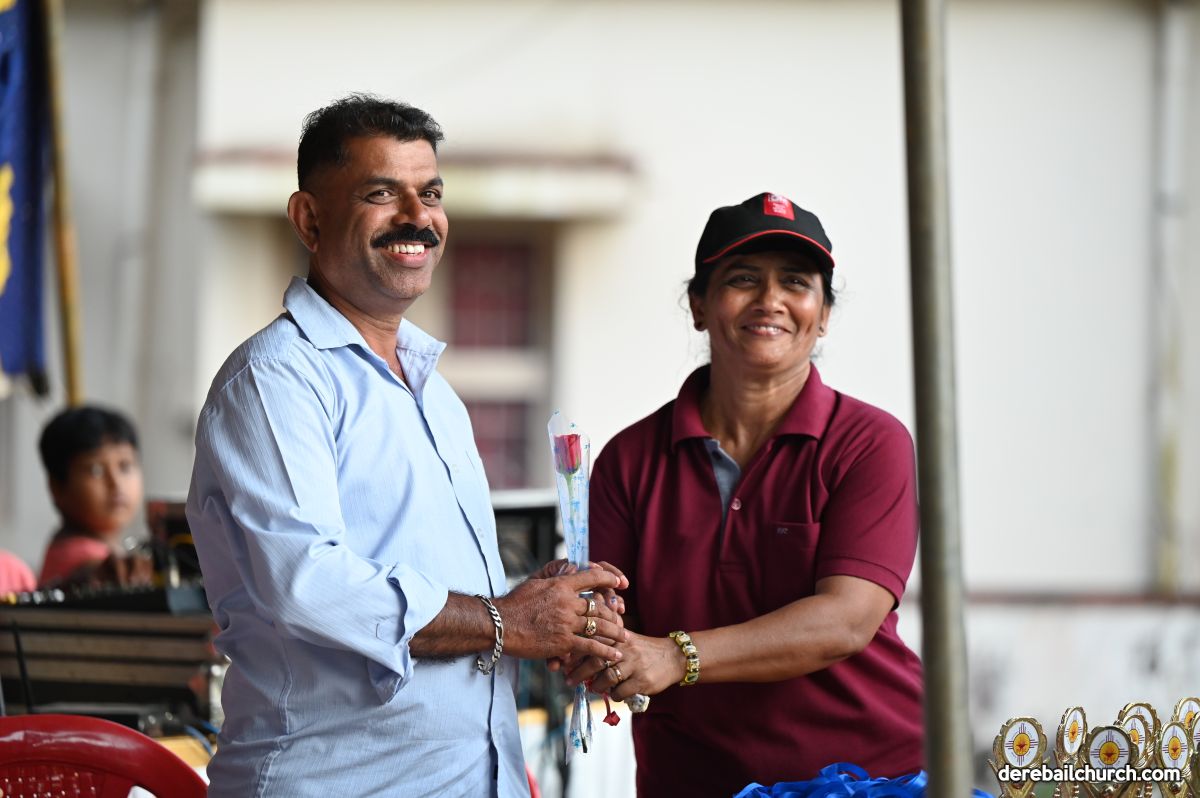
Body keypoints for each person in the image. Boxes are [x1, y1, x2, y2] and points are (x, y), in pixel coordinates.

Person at [186, 94, 626, 798]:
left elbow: (455, 603)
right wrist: (507, 620)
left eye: (432, 194)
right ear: (310, 219)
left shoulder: (432, 390)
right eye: (381, 194)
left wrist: (547, 610)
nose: (418, 217)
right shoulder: (276, 378)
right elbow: (309, 585)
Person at [581, 193, 924, 796]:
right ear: (699, 306)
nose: (770, 300)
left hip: (868, 777)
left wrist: (675, 656)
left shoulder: (870, 443)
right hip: (693, 781)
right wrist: (587, 633)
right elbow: (616, 625)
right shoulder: (628, 460)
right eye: (743, 279)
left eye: (796, 282)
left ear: (823, 314)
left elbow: (845, 621)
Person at [36, 405, 151, 588]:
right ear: (56, 486)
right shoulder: (86, 564)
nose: (116, 483)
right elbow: (89, 574)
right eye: (95, 470)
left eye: (125, 466)